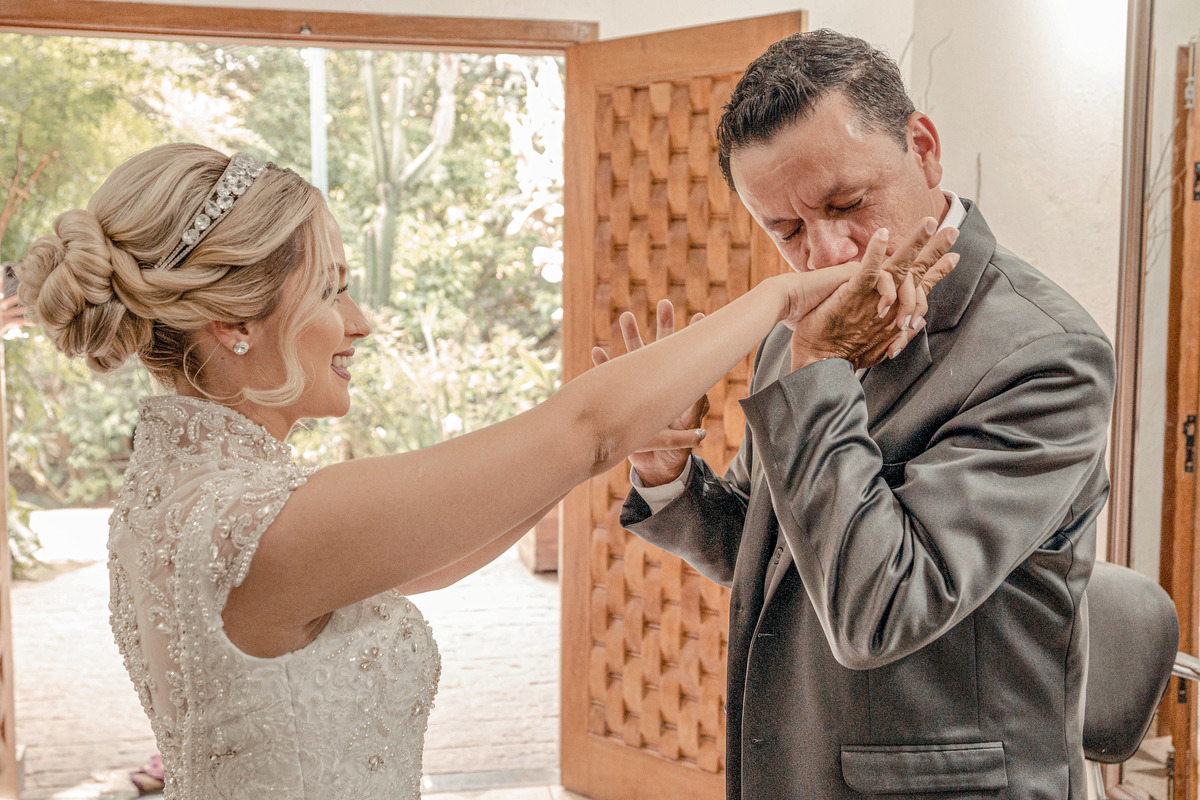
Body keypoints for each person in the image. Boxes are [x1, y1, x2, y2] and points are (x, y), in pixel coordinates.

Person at [14, 143, 954, 799]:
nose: (360, 322)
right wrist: (784, 297)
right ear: (235, 323)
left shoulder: (184, 498)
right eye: (333, 288)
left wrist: (620, 441)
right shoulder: (251, 523)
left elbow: (435, 558)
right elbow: (582, 427)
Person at [601, 30, 1115, 800]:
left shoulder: (1048, 354)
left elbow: (884, 607)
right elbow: (768, 548)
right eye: (787, 232)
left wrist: (818, 372)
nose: (829, 253)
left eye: (847, 204)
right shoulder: (801, 336)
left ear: (924, 148)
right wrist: (670, 474)